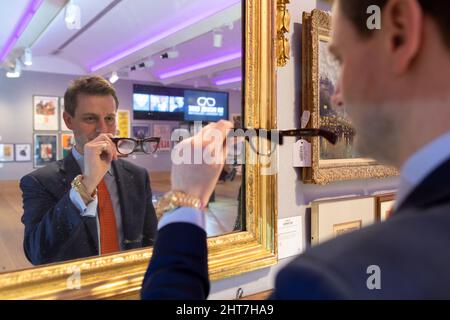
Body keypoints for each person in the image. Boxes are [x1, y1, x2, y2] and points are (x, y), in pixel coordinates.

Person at [141, 0, 450, 299]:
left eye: (342, 59)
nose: (338, 96)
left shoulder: (331, 281)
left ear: (399, 31)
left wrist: (184, 202)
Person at [21, 76, 157, 265]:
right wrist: (86, 184)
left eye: (109, 119)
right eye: (90, 118)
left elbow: (150, 240)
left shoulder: (137, 175)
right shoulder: (40, 182)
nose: (103, 129)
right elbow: (37, 253)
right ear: (69, 120)